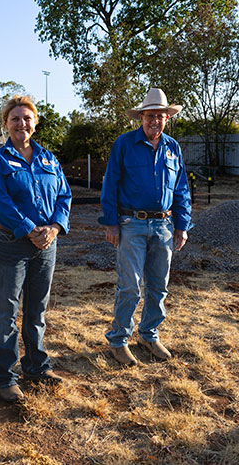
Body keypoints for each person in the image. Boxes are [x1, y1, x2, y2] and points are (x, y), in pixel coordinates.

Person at [0, 95, 72, 402]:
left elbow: (64, 196)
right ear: (6, 124)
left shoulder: (49, 159)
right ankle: (5, 377)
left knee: (36, 310)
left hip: (46, 245)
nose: (21, 124)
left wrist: (55, 227)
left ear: (35, 122)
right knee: (6, 312)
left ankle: (36, 366)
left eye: (27, 118)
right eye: (15, 119)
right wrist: (30, 228)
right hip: (10, 244)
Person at [99, 88, 192, 366]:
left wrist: (182, 226)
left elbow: (181, 189)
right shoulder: (124, 144)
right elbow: (110, 184)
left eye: (160, 116)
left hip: (164, 225)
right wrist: (111, 223)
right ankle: (118, 340)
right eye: (150, 115)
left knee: (159, 286)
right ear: (141, 117)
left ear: (167, 118)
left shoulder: (172, 147)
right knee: (130, 286)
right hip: (131, 224)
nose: (155, 121)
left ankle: (149, 335)